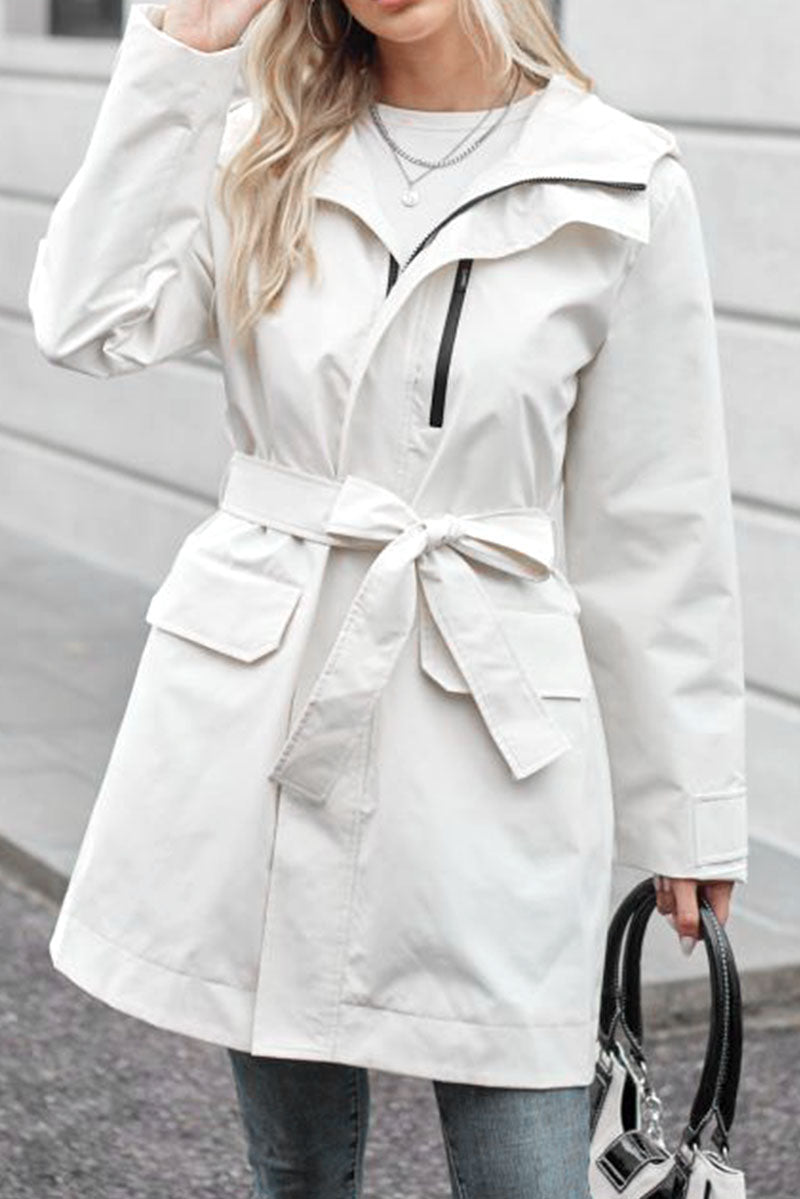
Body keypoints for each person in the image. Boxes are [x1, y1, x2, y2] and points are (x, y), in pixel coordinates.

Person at [27, 0, 749, 1194]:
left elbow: (653, 523)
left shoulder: (618, 180)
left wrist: (689, 803)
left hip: (490, 720)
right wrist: (180, 57)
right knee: (297, 1169)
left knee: (526, 1157)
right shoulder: (259, 145)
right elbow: (85, 318)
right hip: (269, 703)